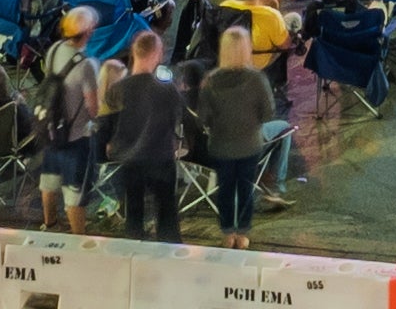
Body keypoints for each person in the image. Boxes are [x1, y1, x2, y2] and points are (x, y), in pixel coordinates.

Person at [193, 26, 279, 250]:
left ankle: (227, 232)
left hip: (221, 146)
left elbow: (202, 119)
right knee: (245, 189)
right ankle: (242, 233)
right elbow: (269, 113)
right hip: (250, 145)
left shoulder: (211, 81)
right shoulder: (257, 79)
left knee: (225, 190)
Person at [103, 26, 187, 243]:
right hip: (160, 157)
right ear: (156, 54)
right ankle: (170, 257)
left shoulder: (118, 88)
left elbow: (108, 124)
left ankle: (133, 258)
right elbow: (177, 119)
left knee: (134, 213)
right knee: (167, 214)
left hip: (129, 159)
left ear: (134, 53)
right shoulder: (166, 88)